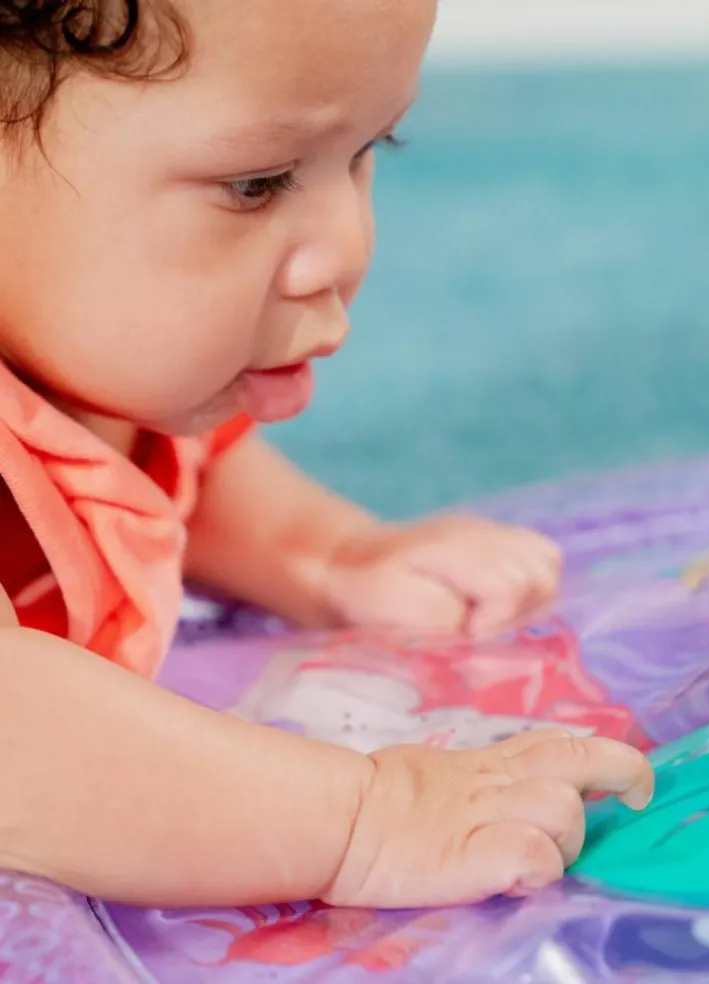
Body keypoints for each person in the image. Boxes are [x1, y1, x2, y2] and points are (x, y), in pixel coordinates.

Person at [0, 0, 653, 910]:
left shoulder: (92, 363)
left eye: (369, 151)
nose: (346, 249)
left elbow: (183, 464)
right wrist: (364, 819)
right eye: (257, 184)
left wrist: (327, 552)